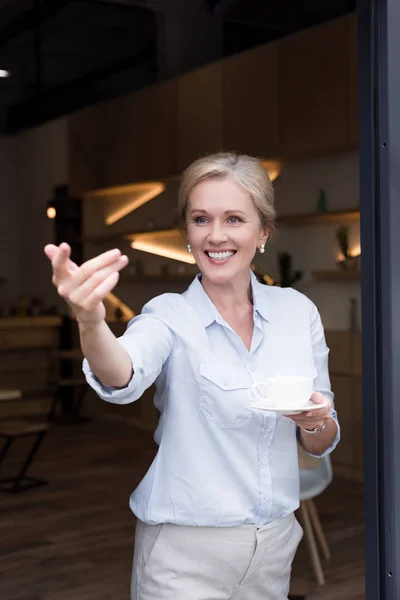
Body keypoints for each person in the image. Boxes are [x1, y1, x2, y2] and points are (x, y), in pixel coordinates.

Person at [44, 152, 340, 600]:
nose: (215, 235)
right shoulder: (169, 315)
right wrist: (89, 320)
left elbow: (321, 439)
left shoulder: (298, 313)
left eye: (234, 218)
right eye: (201, 219)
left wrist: (314, 421)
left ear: (264, 231)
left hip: (274, 548)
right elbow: (121, 372)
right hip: (184, 558)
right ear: (186, 233)